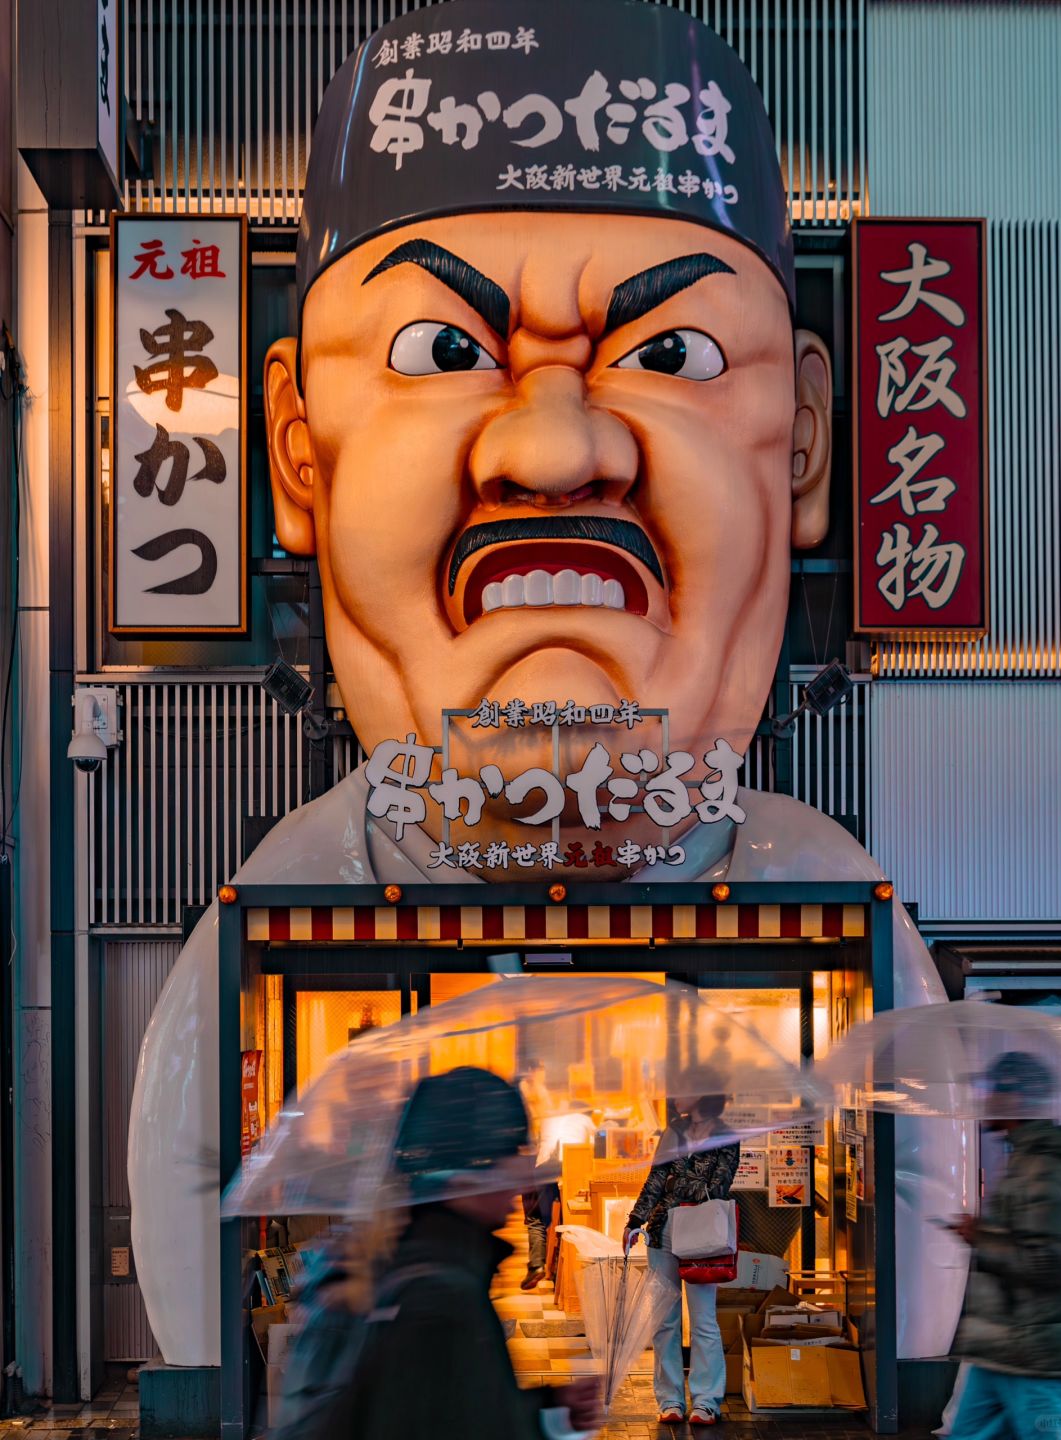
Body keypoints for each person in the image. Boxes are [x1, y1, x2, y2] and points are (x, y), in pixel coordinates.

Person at [130, 0, 967, 1370]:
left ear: (803, 446)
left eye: (673, 355)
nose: (553, 448)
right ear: (296, 453)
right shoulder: (283, 909)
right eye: (439, 351)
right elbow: (180, 1183)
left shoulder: (826, 901)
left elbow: (927, 1203)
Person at [279, 1067, 603, 1440]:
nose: (523, 1172)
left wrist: (550, 1406)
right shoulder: (442, 1299)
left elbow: (452, 1409)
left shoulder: (412, 1263)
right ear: (465, 1177)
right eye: (513, 1150)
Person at [945, 1051, 1061, 1440]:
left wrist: (980, 1238)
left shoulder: (1043, 1167)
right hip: (1002, 1351)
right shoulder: (1025, 1157)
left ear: (1015, 1100)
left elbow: (1047, 1262)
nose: (984, 1099)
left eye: (991, 1091)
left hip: (1034, 1351)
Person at [623, 1072, 740, 1426]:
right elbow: (655, 1180)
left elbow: (717, 1185)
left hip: (704, 1237)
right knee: (664, 1321)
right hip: (662, 1233)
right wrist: (634, 1220)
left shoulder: (726, 1136)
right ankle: (670, 1400)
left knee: (704, 1320)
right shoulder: (672, 1131)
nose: (675, 1094)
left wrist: (676, 1177)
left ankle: (707, 1401)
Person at [519, 1059, 559, 1291]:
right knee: (550, 1214)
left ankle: (537, 1265)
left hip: (531, 1161)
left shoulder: (528, 1094)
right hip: (546, 1161)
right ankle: (548, 1266)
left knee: (534, 1216)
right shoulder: (539, 1095)